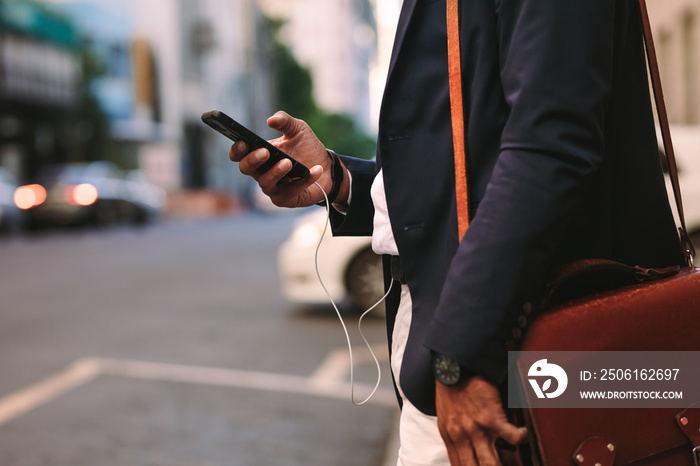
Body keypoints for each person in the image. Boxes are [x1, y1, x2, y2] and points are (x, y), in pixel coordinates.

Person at [229, 0, 686, 464]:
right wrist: (339, 180)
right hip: (490, 341)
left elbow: (549, 148)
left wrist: (459, 356)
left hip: (508, 351)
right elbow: (466, 162)